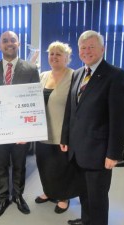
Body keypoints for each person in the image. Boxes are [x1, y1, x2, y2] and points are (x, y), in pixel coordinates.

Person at [60, 30, 124, 225]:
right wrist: (65, 137)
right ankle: (86, 221)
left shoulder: (115, 75)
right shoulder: (79, 73)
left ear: (102, 49)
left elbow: (119, 118)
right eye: (83, 47)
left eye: (91, 47)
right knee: (84, 192)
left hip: (99, 152)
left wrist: (114, 153)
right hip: (77, 149)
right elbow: (71, 109)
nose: (87, 51)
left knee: (97, 198)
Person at [0, 31, 40, 219]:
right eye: (5, 41)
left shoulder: (31, 69)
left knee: (19, 165)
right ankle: (3, 197)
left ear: (19, 44)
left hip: (20, 129)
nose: (9, 43)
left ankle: (18, 196)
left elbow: (34, 101)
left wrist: (29, 131)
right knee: (0, 165)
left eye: (13, 40)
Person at [35, 41, 82, 214]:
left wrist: (70, 134)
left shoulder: (74, 76)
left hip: (63, 133)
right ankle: (48, 191)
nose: (54, 57)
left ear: (67, 58)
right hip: (41, 132)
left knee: (62, 167)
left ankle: (63, 197)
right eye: (51, 53)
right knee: (44, 165)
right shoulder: (43, 76)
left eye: (58, 54)